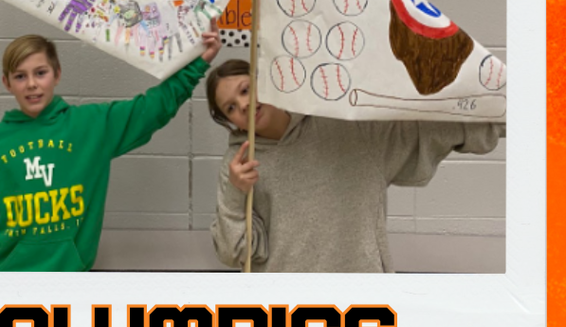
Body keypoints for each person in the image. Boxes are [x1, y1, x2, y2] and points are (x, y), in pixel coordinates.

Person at [0, 31, 222, 271]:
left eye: (40, 73)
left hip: (70, 281)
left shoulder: (92, 127)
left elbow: (152, 108)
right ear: (7, 83)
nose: (31, 84)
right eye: (20, 76)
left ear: (56, 74)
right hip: (3, 280)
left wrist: (197, 63)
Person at [206, 58, 505, 273]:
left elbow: (425, 129)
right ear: (228, 121)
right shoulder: (239, 168)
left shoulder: (345, 128)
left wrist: (507, 108)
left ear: (265, 81)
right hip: (286, 311)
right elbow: (236, 253)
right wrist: (236, 194)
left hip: (361, 300)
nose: (243, 105)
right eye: (230, 107)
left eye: (245, 90)